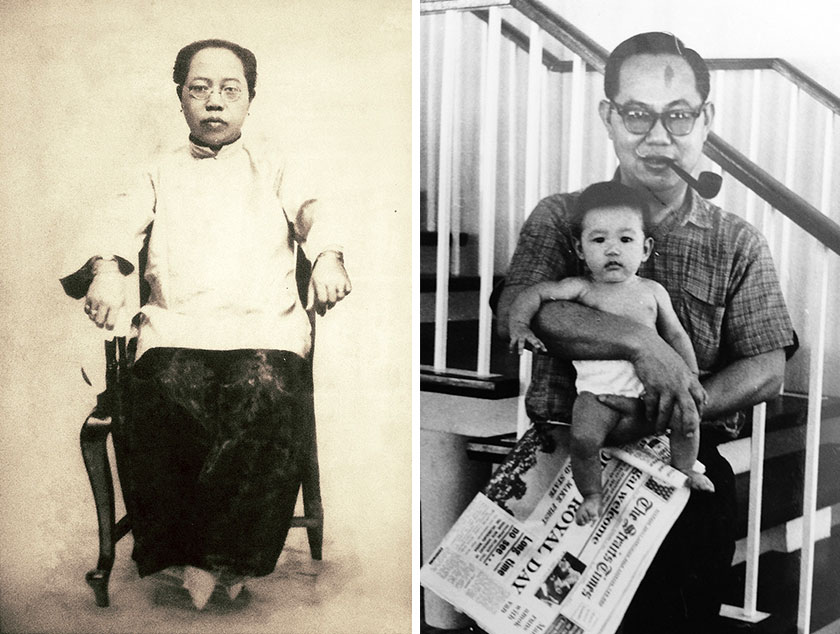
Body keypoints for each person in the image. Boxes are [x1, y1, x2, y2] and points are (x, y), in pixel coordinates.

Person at [495, 32, 796, 633]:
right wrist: (643, 344)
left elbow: (767, 368)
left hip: (681, 470)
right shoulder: (562, 216)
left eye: (678, 115)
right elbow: (527, 312)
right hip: (568, 457)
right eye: (636, 114)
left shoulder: (737, 240)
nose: (658, 136)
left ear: (704, 120)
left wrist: (665, 410)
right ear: (609, 117)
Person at [62, 39, 351, 610]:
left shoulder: (276, 166)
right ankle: (190, 553)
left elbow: (316, 211)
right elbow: (118, 223)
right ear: (181, 100)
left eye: (229, 90)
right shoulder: (157, 169)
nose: (214, 103)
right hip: (175, 329)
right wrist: (105, 269)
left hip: (266, 330)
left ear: (249, 100)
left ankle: (230, 559)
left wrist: (328, 255)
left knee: (261, 391)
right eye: (199, 90)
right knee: (162, 391)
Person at [508, 181, 714, 526]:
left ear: (646, 249)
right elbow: (536, 294)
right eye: (599, 240)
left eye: (626, 239)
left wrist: (688, 377)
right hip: (598, 394)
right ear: (579, 247)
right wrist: (519, 325)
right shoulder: (581, 288)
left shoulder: (653, 291)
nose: (613, 250)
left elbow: (676, 334)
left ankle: (684, 467)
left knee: (688, 420)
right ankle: (592, 494)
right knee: (584, 437)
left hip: (653, 390)